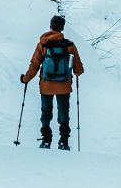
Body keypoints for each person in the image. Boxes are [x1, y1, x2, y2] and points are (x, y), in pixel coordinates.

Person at [22, 14, 84, 150]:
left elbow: (34, 64)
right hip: (64, 86)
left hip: (46, 85)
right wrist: (77, 70)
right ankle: (63, 142)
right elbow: (78, 70)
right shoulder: (70, 45)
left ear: (51, 26)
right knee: (63, 112)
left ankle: (46, 140)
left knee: (46, 112)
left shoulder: (43, 44)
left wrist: (25, 79)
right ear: (62, 28)